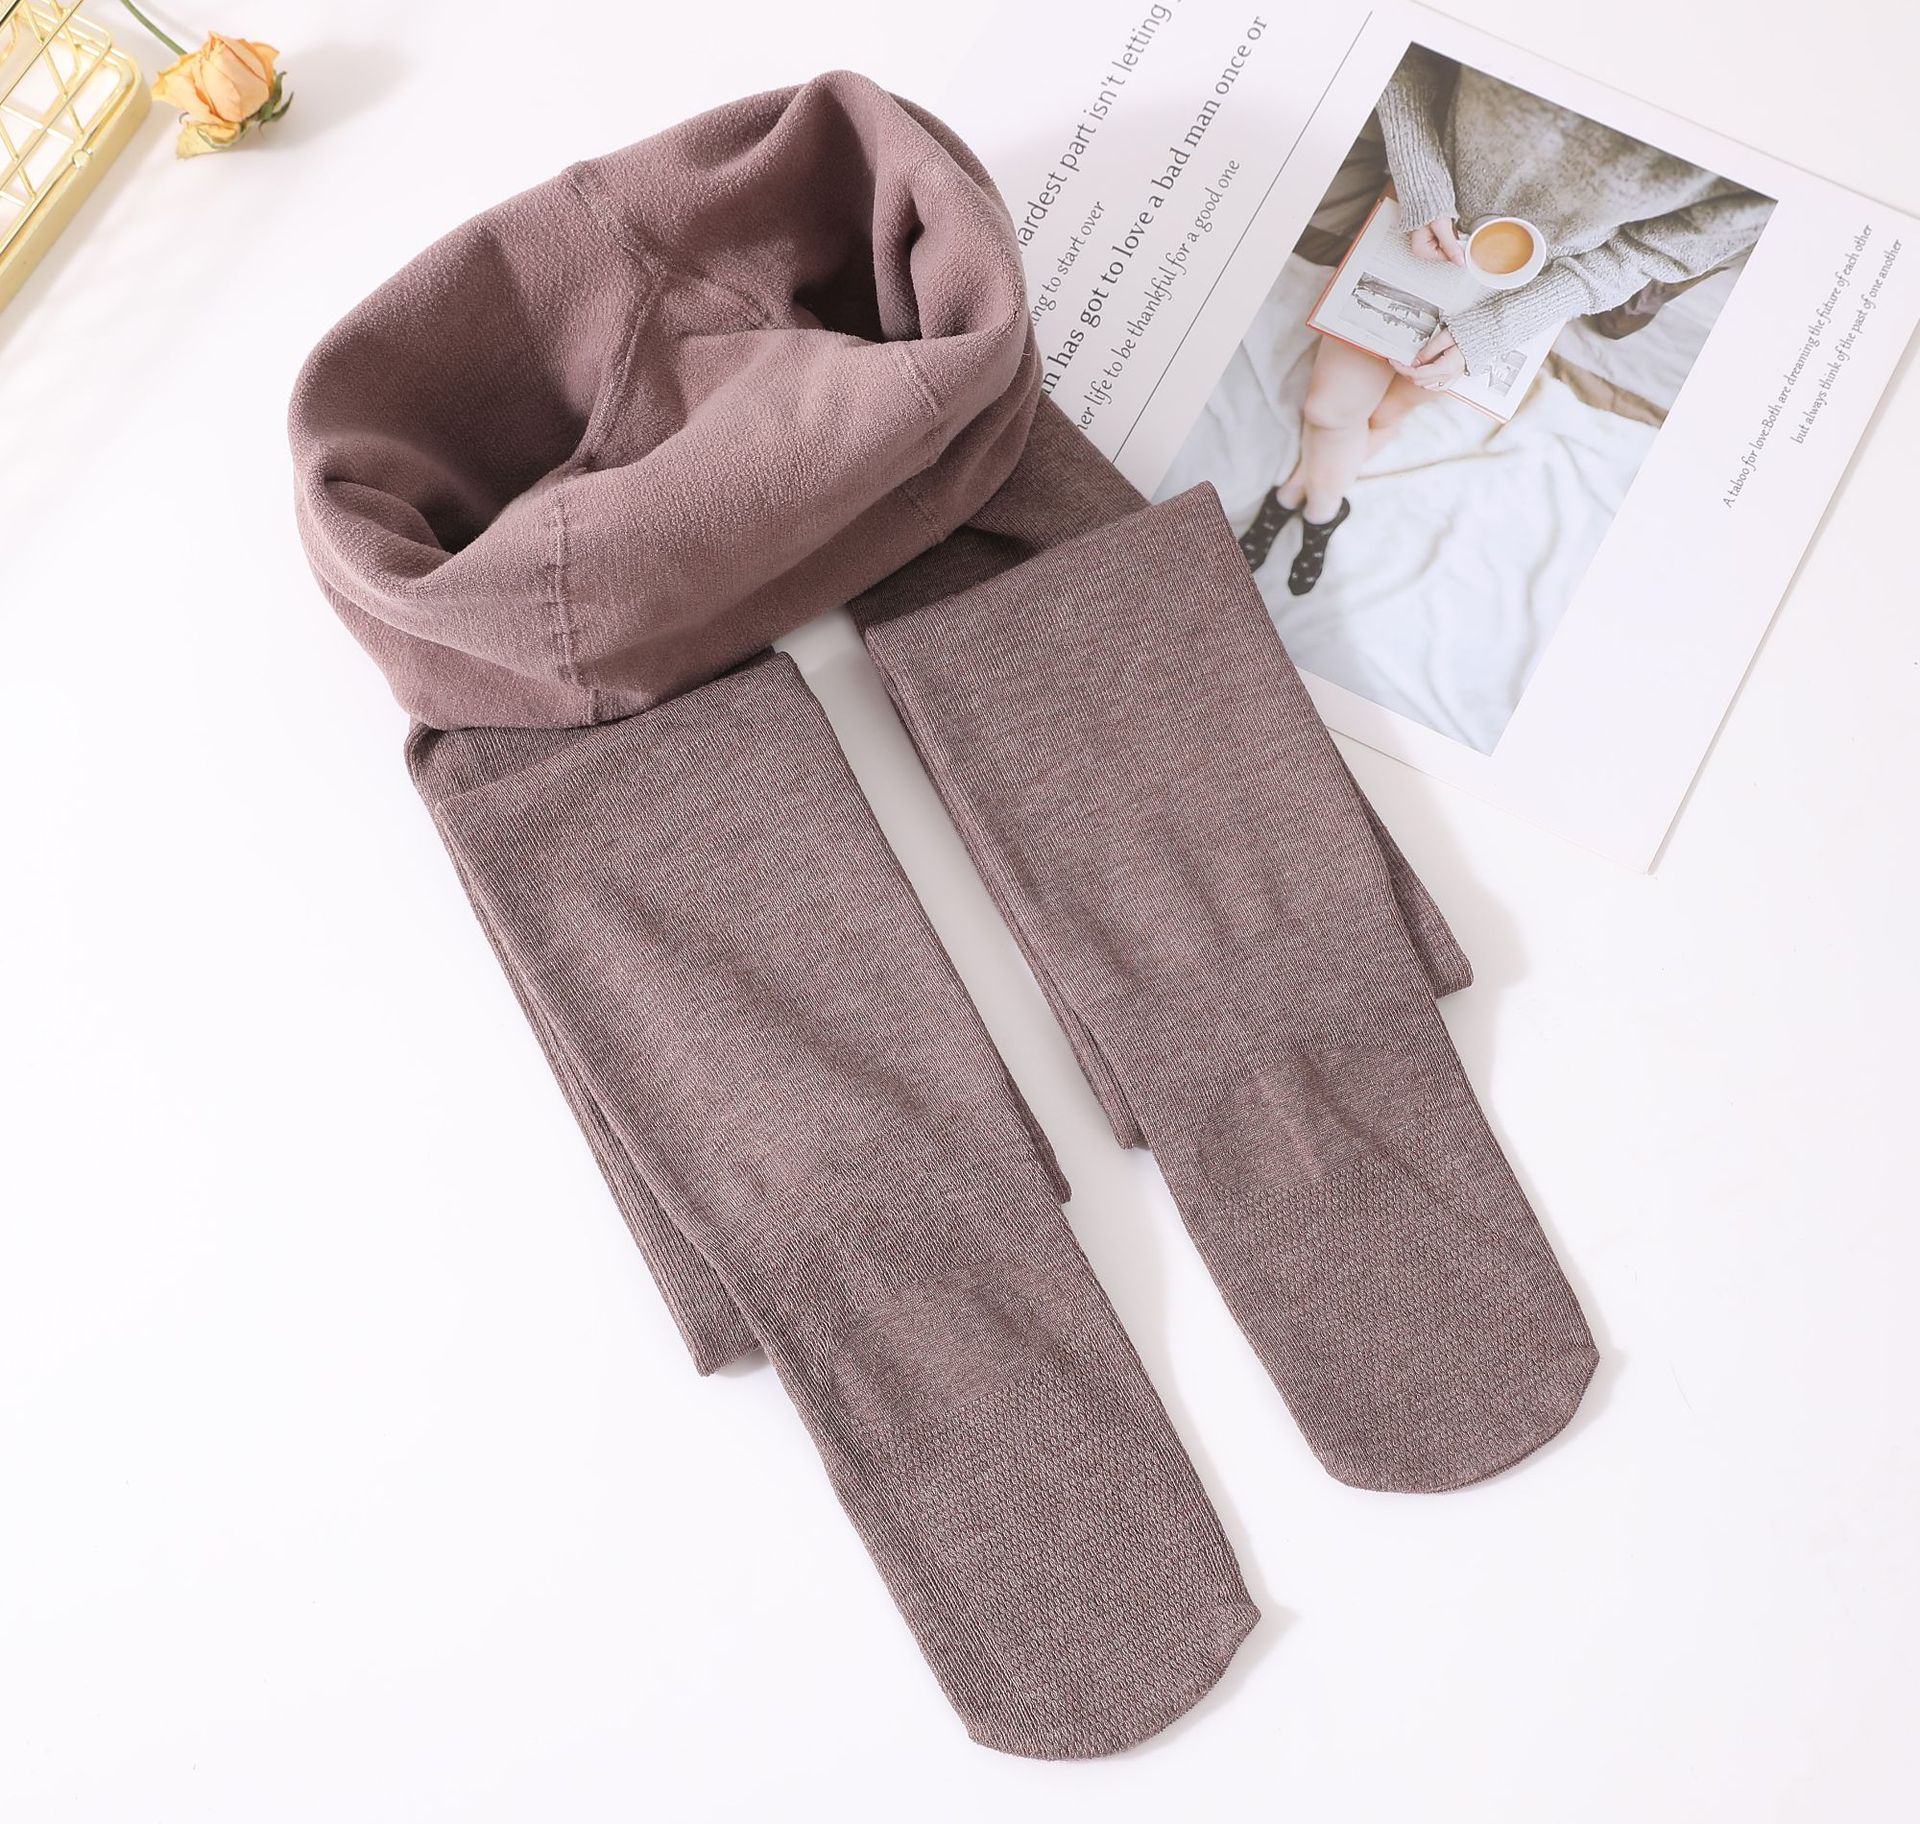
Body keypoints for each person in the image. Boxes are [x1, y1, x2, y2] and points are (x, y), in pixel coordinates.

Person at [1242, 48, 1772, 594]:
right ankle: (1320, 511)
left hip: (1531, 289)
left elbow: (1661, 252)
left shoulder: (1770, 134)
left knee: (1386, 413)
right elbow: (1403, 54)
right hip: (1422, 218)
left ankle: (1298, 497)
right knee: (1329, 411)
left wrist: (1497, 328)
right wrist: (1421, 182)